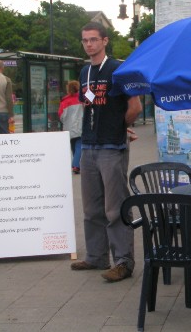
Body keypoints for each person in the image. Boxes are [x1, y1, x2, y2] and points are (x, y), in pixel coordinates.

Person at [70, 21, 142, 283]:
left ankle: (123, 261)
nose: (89, 44)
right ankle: (96, 256)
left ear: (104, 41)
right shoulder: (85, 72)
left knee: (115, 207)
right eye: (85, 40)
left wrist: (120, 126)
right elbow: (89, 105)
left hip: (112, 146)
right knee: (91, 208)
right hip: (88, 146)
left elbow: (135, 106)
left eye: (93, 39)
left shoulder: (118, 68)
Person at [58, 80, 83, 174]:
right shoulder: (81, 99)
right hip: (79, 126)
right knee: (79, 145)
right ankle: (76, 165)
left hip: (68, 127)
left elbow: (60, 114)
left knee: (73, 145)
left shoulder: (64, 101)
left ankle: (76, 164)